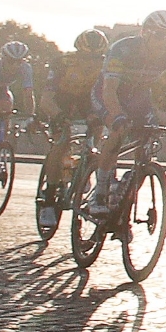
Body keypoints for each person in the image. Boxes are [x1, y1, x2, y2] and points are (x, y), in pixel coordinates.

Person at [85, 11, 166, 216]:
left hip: (139, 98)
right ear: (145, 33)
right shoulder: (123, 48)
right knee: (118, 132)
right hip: (109, 93)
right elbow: (109, 90)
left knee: (148, 142)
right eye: (160, 35)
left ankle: (126, 191)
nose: (165, 42)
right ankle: (100, 192)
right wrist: (117, 116)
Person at [40, 28, 110, 230]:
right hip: (60, 99)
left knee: (96, 129)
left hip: (85, 100)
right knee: (62, 141)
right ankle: (49, 199)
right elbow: (47, 97)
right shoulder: (63, 63)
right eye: (86, 57)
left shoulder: (104, 67)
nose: (91, 62)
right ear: (77, 54)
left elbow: (104, 96)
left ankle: (84, 167)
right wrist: (57, 115)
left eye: (96, 58)